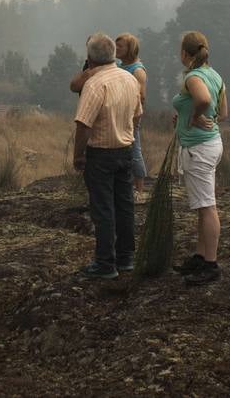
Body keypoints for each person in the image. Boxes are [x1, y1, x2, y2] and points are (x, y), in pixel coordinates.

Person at [70, 32, 142, 279]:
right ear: (113, 54)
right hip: (126, 149)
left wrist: (78, 156)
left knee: (103, 209)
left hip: (100, 154)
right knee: (125, 206)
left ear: (90, 59)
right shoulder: (129, 79)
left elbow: (83, 124)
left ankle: (105, 264)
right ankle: (126, 258)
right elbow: (137, 114)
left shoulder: (94, 84)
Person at [170, 30, 227, 286]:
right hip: (211, 143)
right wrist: (186, 116)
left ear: (185, 53)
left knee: (207, 206)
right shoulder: (214, 75)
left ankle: (211, 264)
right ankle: (201, 256)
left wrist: (193, 118)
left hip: (199, 148)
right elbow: (222, 112)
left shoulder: (193, 76)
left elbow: (203, 100)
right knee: (203, 206)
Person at [114, 32, 149, 194]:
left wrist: (134, 121)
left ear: (130, 49)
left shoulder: (138, 71)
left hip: (131, 117)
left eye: (120, 46)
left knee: (135, 150)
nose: (116, 48)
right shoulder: (119, 66)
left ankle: (140, 189)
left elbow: (140, 98)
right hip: (118, 114)